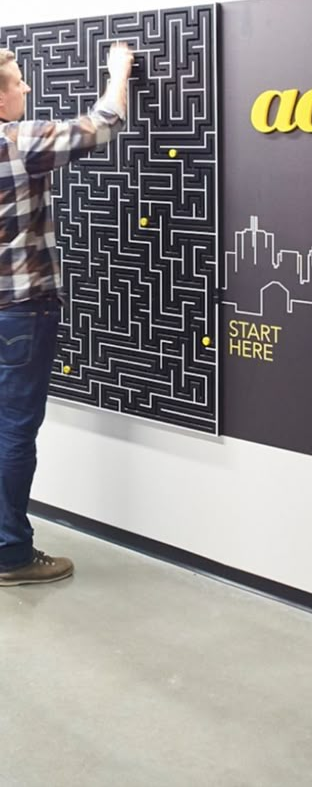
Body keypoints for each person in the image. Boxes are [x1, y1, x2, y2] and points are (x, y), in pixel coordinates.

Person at [0, 41, 134, 585]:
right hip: (19, 313)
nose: (26, 88)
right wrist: (118, 71)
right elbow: (101, 123)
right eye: (15, 80)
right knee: (12, 433)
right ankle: (9, 553)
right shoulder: (18, 142)